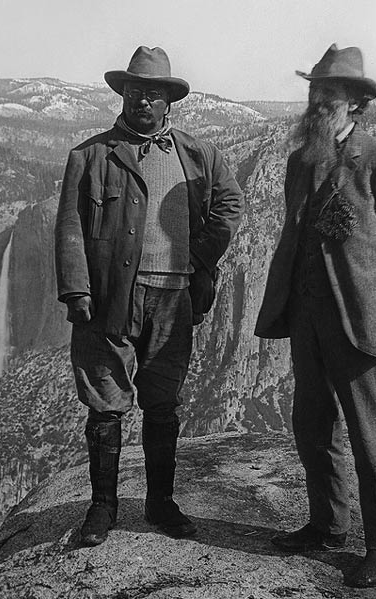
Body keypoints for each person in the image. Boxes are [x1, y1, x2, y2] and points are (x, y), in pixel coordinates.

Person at [54, 46, 243, 547]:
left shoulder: (199, 156)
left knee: (163, 405)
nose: (143, 101)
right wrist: (76, 289)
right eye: (135, 91)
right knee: (105, 403)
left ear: (168, 102)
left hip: (174, 297)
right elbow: (70, 226)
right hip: (110, 298)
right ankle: (102, 508)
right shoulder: (91, 156)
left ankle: (161, 502)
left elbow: (230, 203)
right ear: (124, 94)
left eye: (153, 94)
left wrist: (201, 256)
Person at [254, 44, 376, 588]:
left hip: (356, 321)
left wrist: (374, 298)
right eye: (314, 91)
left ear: (355, 102)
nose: (318, 101)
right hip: (306, 316)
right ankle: (327, 524)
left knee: (370, 431)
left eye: (329, 93)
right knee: (311, 423)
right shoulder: (301, 160)